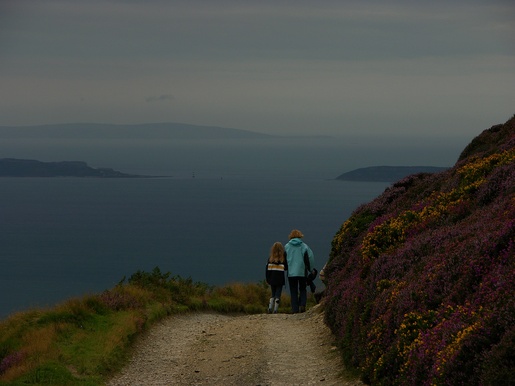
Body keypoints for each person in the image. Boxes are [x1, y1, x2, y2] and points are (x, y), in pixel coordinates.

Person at [285, 229, 315, 313]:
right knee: (302, 288)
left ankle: (294, 309)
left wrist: (285, 268)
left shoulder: (287, 246)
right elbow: (310, 258)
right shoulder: (304, 246)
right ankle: (302, 304)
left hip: (291, 273)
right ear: (300, 236)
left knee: (293, 290)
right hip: (302, 272)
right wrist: (311, 269)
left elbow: (284, 259)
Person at [265, 241, 287, 314]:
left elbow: (267, 270)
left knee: (273, 293)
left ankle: (270, 308)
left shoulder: (270, 259)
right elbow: (286, 268)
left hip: (272, 279)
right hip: (280, 279)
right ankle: (275, 309)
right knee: (278, 294)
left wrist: (267, 279)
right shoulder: (283, 259)